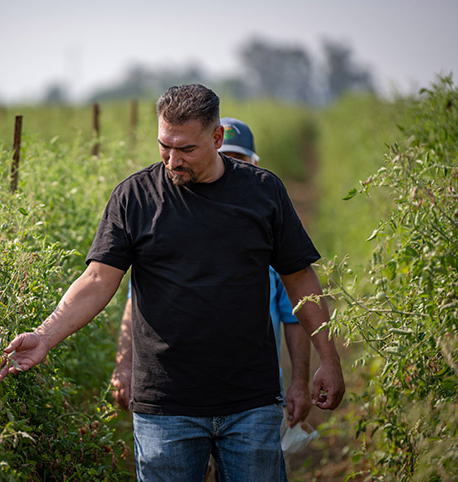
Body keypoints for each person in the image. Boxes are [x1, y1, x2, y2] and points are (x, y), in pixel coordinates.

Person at [0, 84, 345, 482]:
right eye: (164, 146)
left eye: (186, 149)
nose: (173, 160)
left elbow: (300, 281)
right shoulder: (134, 198)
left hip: (251, 402)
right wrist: (44, 335)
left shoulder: (263, 192)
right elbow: (96, 280)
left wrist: (328, 360)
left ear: (216, 137)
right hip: (165, 408)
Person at [110, 118, 312, 430]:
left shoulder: (266, 226)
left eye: (239, 160)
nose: (230, 166)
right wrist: (124, 363)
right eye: (225, 157)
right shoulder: (164, 215)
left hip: (251, 391)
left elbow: (295, 314)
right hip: (176, 395)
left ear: (254, 163)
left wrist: (300, 380)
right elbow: (134, 302)